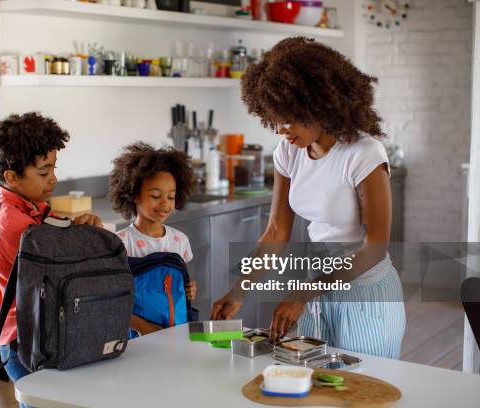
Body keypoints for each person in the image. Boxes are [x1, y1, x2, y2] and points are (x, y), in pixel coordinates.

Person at [211, 37, 406, 359]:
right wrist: (238, 290)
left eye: (289, 117)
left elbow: (374, 248)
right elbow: (276, 232)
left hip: (365, 294)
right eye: (274, 118)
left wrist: (303, 292)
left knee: (364, 392)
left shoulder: (363, 152)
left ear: (319, 104)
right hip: (316, 288)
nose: (280, 129)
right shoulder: (290, 151)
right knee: (316, 389)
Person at [0, 112, 102, 406]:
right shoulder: (14, 223)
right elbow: (62, 272)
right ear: (12, 177)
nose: (54, 178)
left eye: (54, 168)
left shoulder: (32, 208)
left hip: (39, 333)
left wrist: (78, 227)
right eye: (43, 172)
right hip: (22, 342)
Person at [109, 142, 197, 335]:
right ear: (133, 194)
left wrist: (189, 289)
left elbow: (178, 285)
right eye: (156, 196)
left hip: (178, 334)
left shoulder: (180, 240)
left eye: (171, 197)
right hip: (138, 339)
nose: (165, 204)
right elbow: (113, 300)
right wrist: (146, 329)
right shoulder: (120, 244)